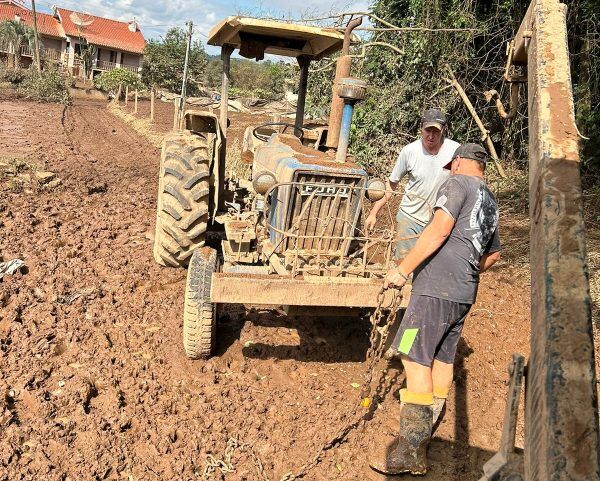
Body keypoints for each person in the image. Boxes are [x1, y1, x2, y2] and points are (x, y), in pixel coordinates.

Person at [368, 143, 502, 476]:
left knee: (412, 356)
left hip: (433, 292)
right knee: (442, 357)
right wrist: (464, 270)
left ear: (457, 163)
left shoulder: (455, 184)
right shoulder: (490, 199)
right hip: (462, 292)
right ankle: (428, 426)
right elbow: (494, 255)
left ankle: (411, 451)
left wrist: (402, 271)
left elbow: (439, 229)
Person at [365, 108, 459, 259]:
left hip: (439, 219)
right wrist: (373, 213)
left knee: (433, 264)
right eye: (428, 130)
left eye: (436, 131)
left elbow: (462, 182)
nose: (431, 135)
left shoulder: (454, 151)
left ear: (444, 130)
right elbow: (391, 185)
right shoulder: (409, 152)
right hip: (410, 217)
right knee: (404, 261)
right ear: (421, 129)